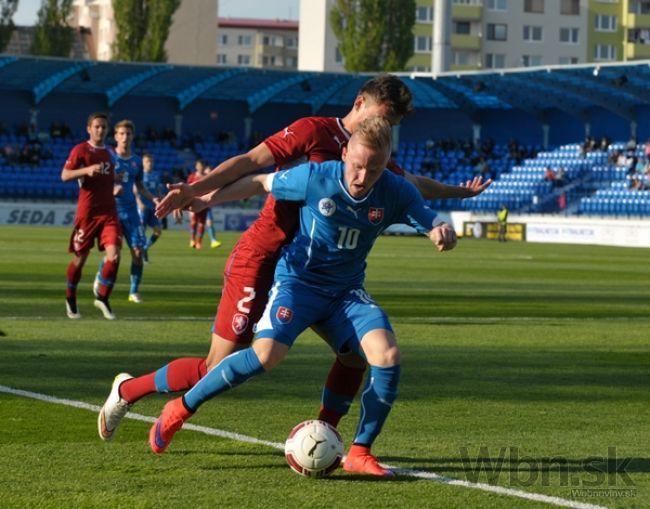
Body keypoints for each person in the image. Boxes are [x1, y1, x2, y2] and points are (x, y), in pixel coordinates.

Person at [97, 75, 489, 444]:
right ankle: (129, 389)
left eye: (392, 125)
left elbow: (412, 186)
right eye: (383, 118)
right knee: (216, 365)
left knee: (354, 357)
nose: (385, 130)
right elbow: (253, 164)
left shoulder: (370, 155)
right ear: (360, 104)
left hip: (315, 272)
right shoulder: (314, 131)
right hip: (263, 255)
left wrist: (458, 193)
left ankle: (329, 438)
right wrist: (199, 192)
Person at [149, 118, 457, 476]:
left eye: (373, 169)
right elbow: (261, 180)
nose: (362, 177)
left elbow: (429, 217)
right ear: (344, 154)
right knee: (267, 355)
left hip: (346, 294)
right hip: (298, 284)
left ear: (386, 164)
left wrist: (440, 229)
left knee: (385, 354)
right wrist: (203, 198)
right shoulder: (315, 177)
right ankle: (180, 409)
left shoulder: (395, 189)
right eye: (357, 166)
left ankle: (359, 451)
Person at [61, 112, 121, 320]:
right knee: (80, 259)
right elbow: (65, 175)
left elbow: (111, 177)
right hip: (87, 214)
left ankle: (102, 297)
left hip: (109, 213)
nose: (100, 130)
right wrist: (86, 170)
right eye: (96, 127)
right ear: (89, 128)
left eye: (104, 127)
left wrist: (117, 185)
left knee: (114, 256)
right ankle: (70, 296)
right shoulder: (81, 150)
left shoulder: (111, 153)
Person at [96, 120, 158, 304]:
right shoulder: (107, 156)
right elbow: (96, 181)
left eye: (128, 134)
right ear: (115, 136)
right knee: (113, 254)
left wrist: (152, 197)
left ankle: (133, 291)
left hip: (131, 213)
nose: (125, 137)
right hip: (111, 212)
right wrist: (111, 188)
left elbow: (139, 185)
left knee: (138, 253)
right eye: (121, 134)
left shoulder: (137, 161)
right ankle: (101, 276)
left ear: (132, 136)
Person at [138, 154, 163, 263]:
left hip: (153, 208)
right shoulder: (140, 175)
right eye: (147, 161)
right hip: (142, 208)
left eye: (151, 161)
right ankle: (142, 255)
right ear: (143, 163)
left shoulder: (156, 175)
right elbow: (135, 192)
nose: (150, 163)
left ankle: (145, 248)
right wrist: (139, 203)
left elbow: (158, 191)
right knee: (141, 233)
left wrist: (161, 201)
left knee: (158, 231)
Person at [186, 160, 211, 249]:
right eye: (199, 165)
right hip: (193, 202)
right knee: (193, 221)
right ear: (196, 166)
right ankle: (192, 239)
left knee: (201, 223)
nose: (201, 167)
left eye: (202, 165)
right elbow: (187, 189)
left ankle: (199, 242)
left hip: (204, 202)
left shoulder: (207, 177)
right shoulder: (192, 177)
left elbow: (210, 189)